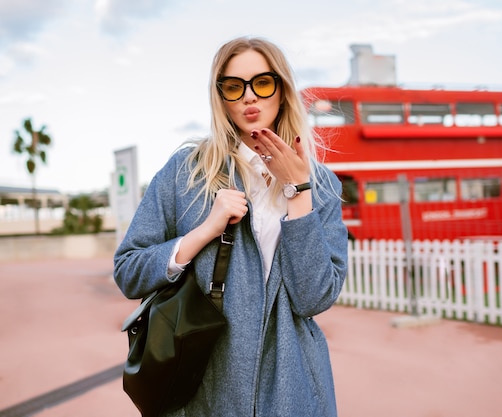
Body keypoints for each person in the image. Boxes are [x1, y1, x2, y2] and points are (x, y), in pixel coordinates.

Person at [113, 36, 348, 417]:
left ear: (282, 89)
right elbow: (128, 271)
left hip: (293, 390)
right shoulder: (185, 173)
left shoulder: (322, 186)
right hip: (205, 388)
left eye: (263, 83)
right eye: (234, 87)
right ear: (221, 97)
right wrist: (203, 231)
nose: (249, 97)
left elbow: (314, 299)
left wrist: (298, 191)